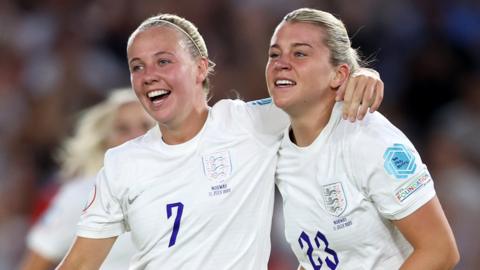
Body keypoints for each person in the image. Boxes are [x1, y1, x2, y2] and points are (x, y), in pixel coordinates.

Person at [56, 13, 383, 269]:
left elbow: (319, 91)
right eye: (136, 66)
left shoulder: (250, 124)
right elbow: (81, 263)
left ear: (200, 68)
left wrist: (363, 75)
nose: (148, 75)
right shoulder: (121, 163)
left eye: (163, 61)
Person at [267, 8, 459, 269]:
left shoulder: (369, 139)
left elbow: (440, 251)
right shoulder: (278, 145)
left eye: (299, 53)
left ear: (339, 74)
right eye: (274, 54)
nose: (281, 63)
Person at [19, 88, 154, 270]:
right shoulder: (81, 194)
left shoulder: (188, 183)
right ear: (106, 140)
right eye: (123, 129)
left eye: (146, 126)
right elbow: (35, 263)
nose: (136, 136)